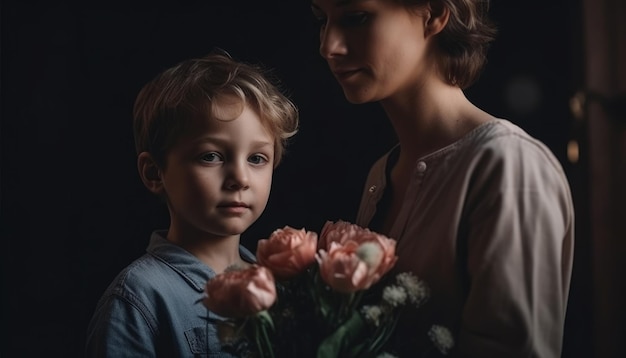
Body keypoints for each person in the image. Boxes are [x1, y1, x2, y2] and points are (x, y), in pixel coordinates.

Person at [310, 0, 574, 357]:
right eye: (322, 20)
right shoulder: (381, 173)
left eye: (356, 17)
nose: (328, 46)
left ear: (433, 13)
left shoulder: (509, 167)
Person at [85, 51, 299, 357]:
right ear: (154, 173)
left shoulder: (280, 285)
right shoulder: (139, 299)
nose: (240, 178)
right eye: (211, 156)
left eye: (256, 158)